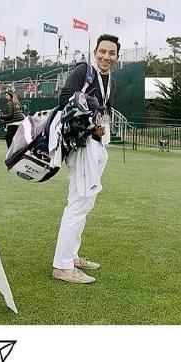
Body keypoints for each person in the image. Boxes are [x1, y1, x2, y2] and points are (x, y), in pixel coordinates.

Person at [52, 34, 119, 284]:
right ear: (95, 52)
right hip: (81, 146)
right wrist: (93, 109)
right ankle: (62, 266)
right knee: (79, 203)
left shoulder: (110, 80)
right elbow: (64, 100)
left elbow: (106, 110)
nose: (106, 57)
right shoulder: (84, 71)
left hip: (97, 143)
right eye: (102, 51)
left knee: (86, 203)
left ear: (117, 57)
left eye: (111, 53)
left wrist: (101, 123)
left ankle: (71, 256)